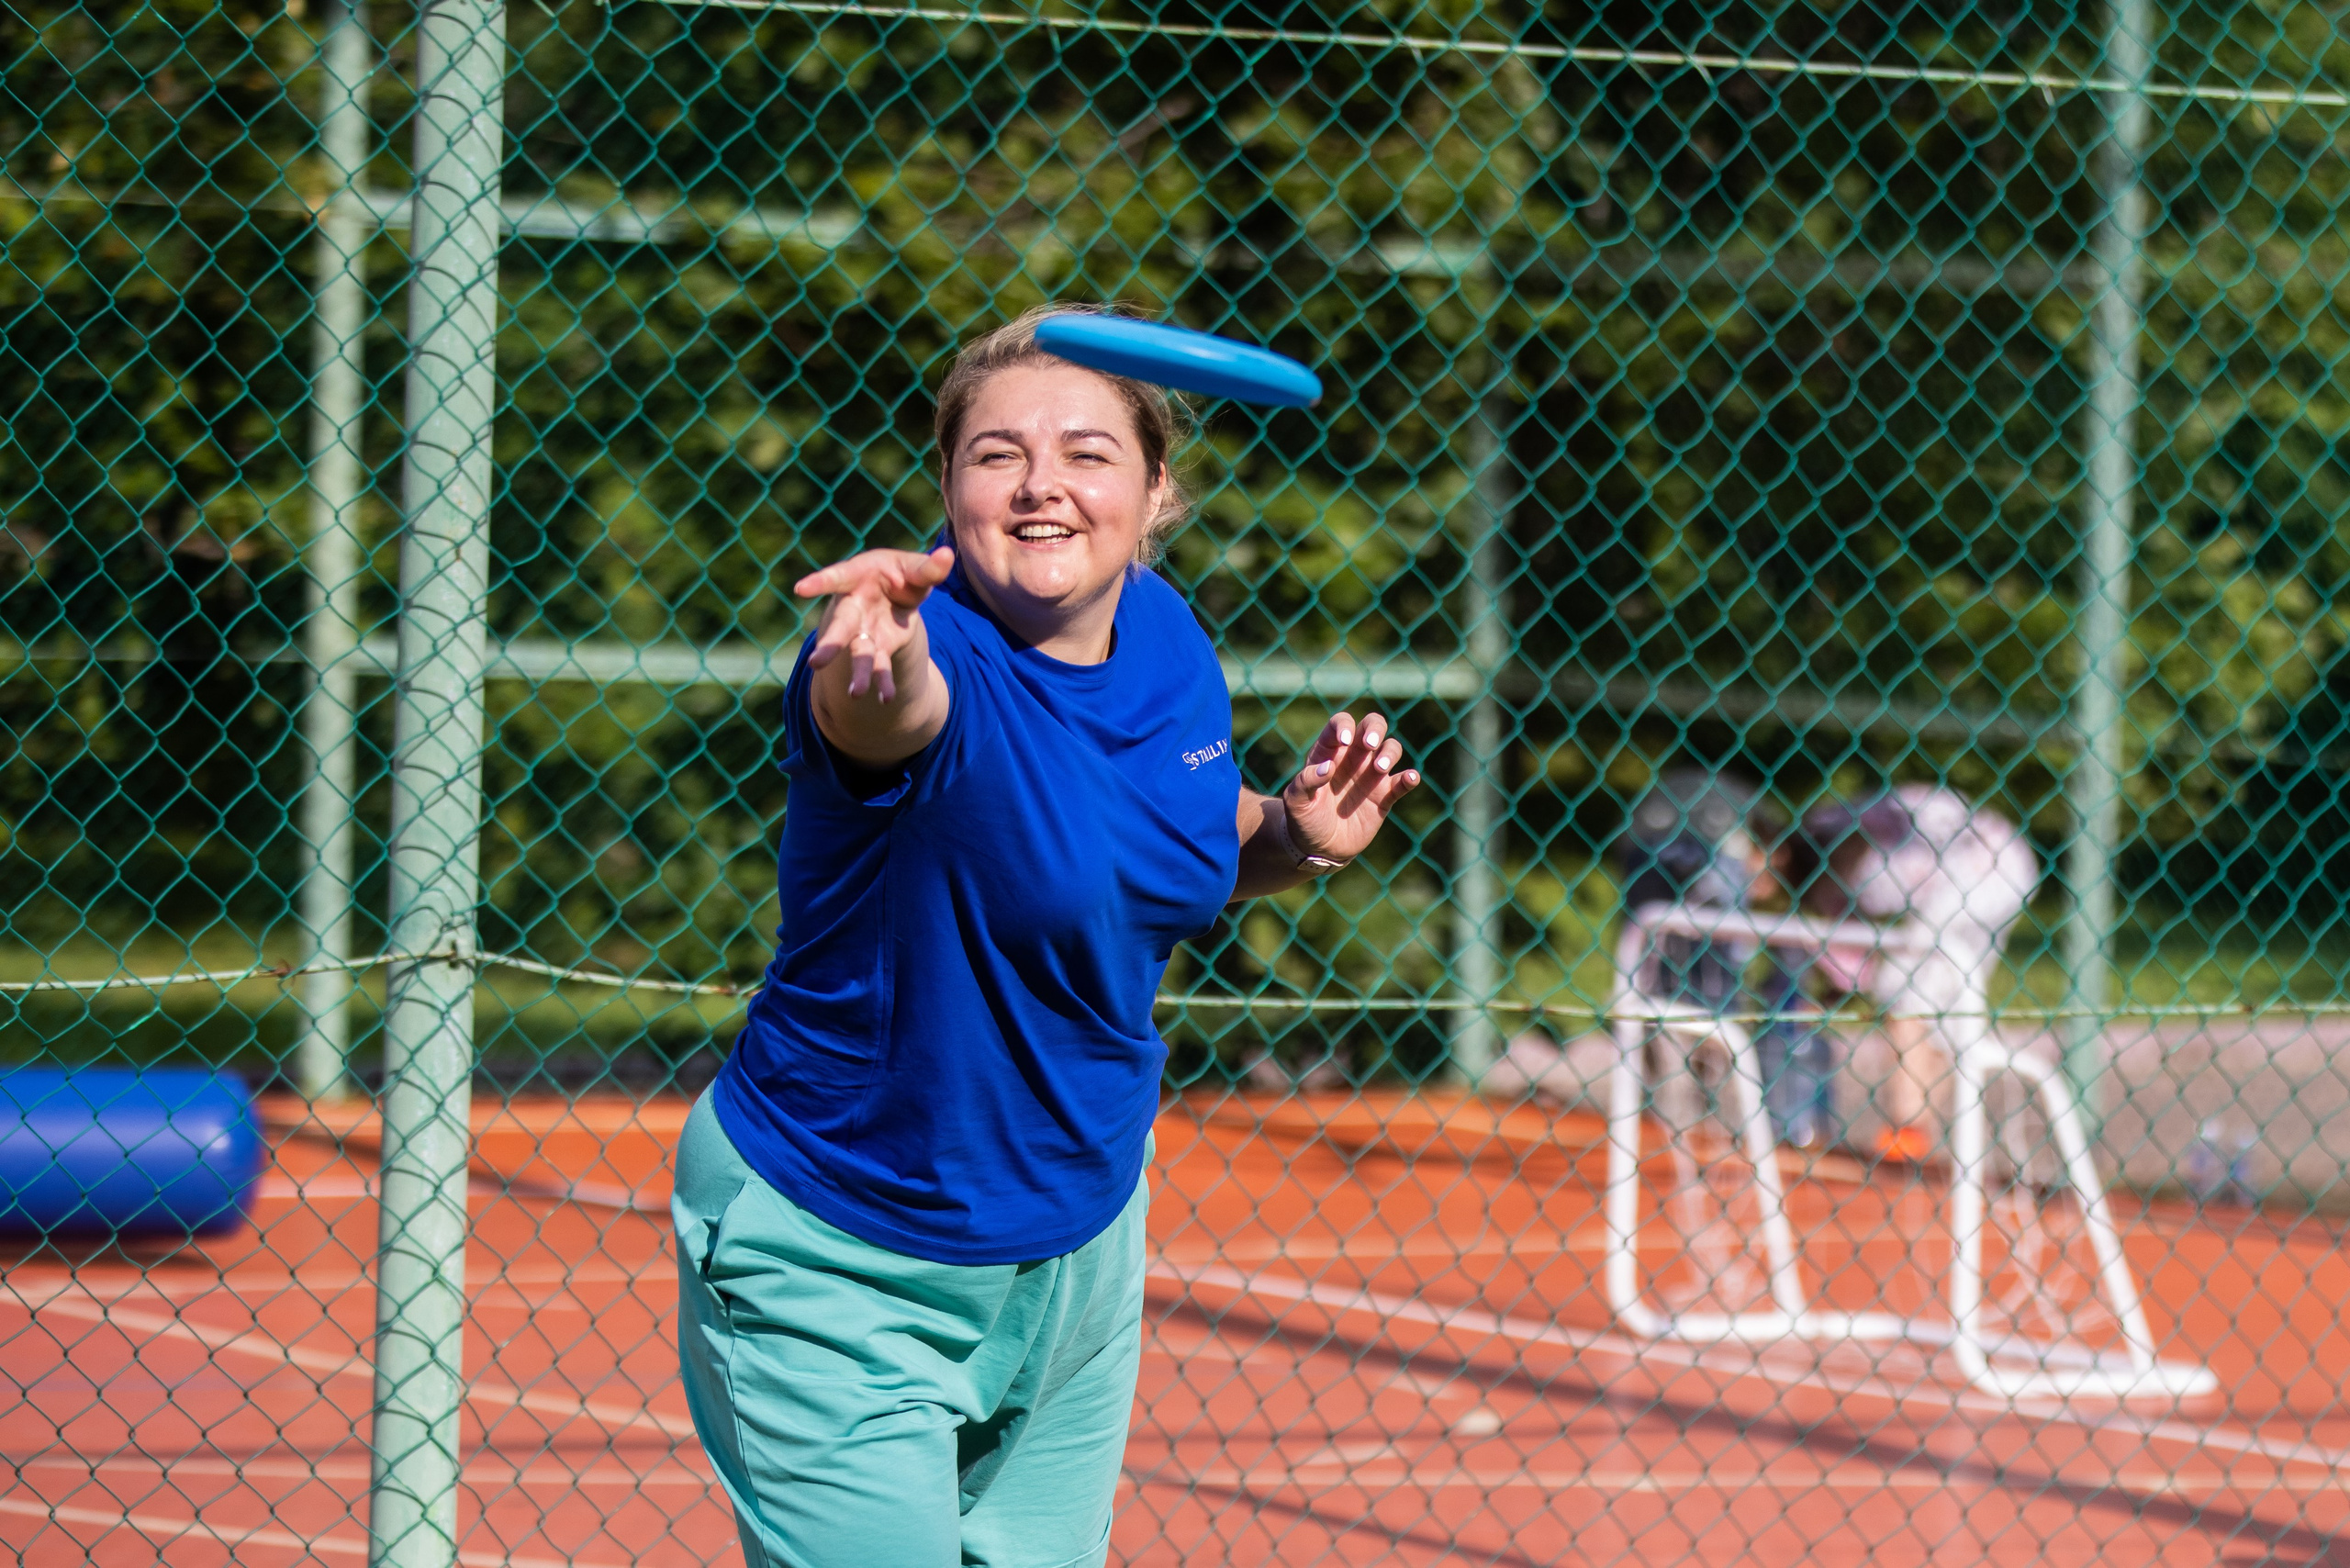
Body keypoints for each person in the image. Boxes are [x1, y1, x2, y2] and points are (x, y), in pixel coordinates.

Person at [671, 303, 1421, 1568]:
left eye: (1086, 452)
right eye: (996, 454)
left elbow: (1143, 847)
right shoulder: (916, 650)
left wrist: (1290, 836)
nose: (1041, 487)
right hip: (846, 1252)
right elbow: (888, 717)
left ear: (1156, 489)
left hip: (1076, 1252)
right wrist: (869, 657)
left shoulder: (1168, 642)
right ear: (947, 488)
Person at [1796, 785, 2037, 1163]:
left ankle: (1908, 1130)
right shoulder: (1849, 841)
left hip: (1985, 873)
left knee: (1905, 989)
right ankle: (1914, 1129)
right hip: (2004, 867)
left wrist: (1834, 990)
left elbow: (1856, 966)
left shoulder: (1845, 846)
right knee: (1940, 999)